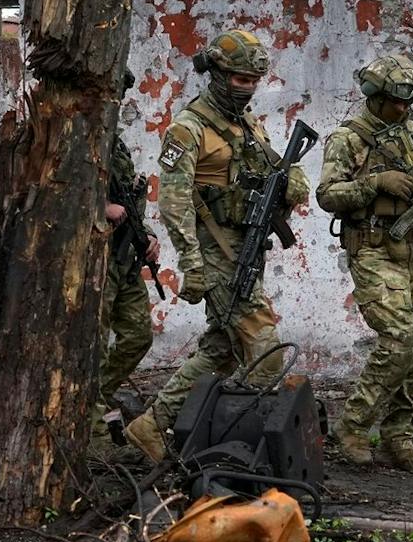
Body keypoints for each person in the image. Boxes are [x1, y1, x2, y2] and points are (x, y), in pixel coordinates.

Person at [124, 29, 309, 462]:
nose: (247, 88)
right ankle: (247, 438)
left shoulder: (247, 124)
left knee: (221, 351)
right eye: (240, 79)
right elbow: (173, 202)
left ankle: (151, 426)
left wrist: (291, 182)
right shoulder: (188, 128)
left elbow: (273, 171)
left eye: (253, 80)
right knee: (266, 354)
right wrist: (193, 264)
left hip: (246, 246)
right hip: (216, 254)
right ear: (218, 74)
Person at [316, 53, 413, 473]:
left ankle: (399, 436)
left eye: (408, 102)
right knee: (398, 338)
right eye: (396, 101)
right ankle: (353, 426)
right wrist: (375, 183)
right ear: (376, 96)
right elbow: (327, 195)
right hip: (373, 249)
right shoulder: (348, 139)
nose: (403, 108)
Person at [97, 75, 159, 420]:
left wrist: (148, 236)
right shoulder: (75, 137)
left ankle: (98, 394)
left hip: (124, 258)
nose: (115, 100)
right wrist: (101, 207)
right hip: (94, 260)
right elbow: (54, 191)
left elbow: (130, 205)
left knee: (138, 335)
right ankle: (89, 413)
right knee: (93, 343)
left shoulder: (114, 143)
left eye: (118, 94)